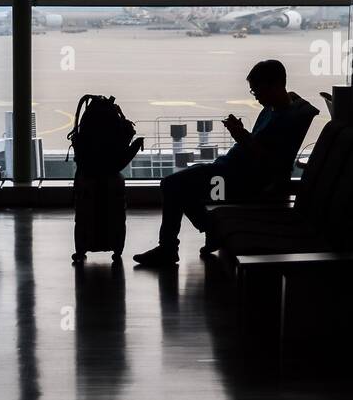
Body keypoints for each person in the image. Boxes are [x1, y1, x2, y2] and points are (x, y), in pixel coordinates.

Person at [133, 59, 317, 267]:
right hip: (229, 171)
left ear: (274, 85)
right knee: (182, 184)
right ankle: (210, 231)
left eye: (257, 91)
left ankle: (174, 246)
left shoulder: (285, 119)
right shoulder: (275, 108)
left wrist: (241, 137)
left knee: (172, 185)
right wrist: (243, 135)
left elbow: (272, 163)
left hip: (239, 181)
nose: (256, 98)